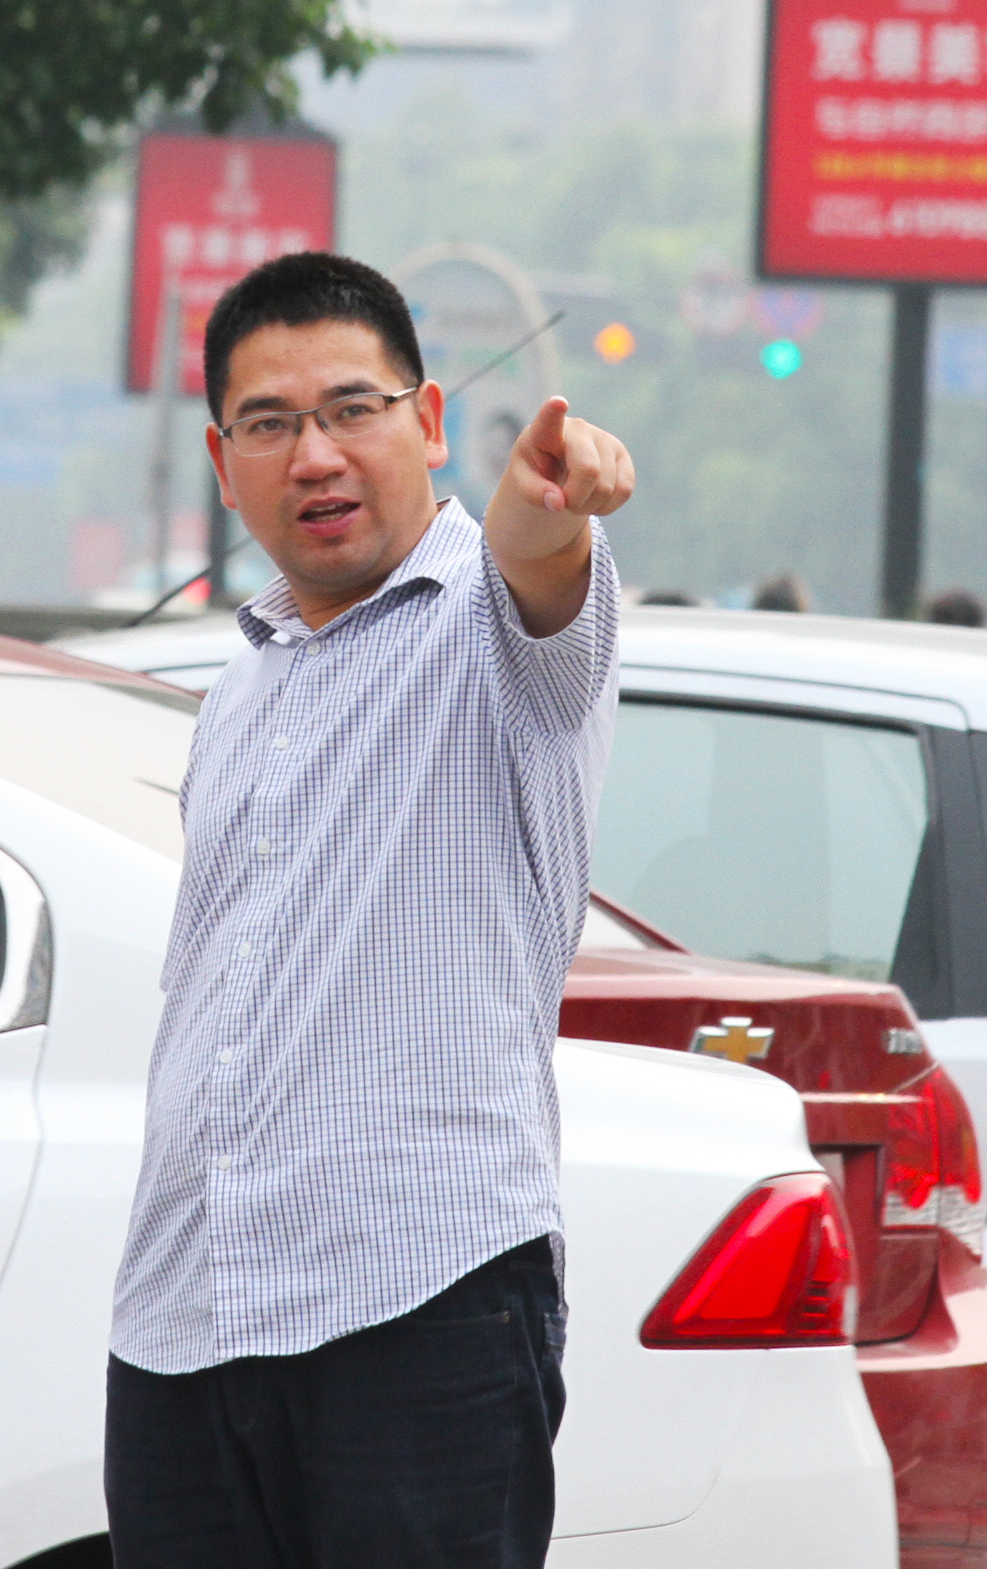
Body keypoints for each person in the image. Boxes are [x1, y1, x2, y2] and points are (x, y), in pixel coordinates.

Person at [105, 251, 635, 1569]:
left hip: (421, 1302)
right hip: (187, 1316)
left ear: (433, 420)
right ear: (227, 461)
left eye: (354, 409)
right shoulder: (243, 686)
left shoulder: (491, 630)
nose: (317, 455)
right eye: (274, 426)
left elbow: (538, 555)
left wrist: (553, 504)